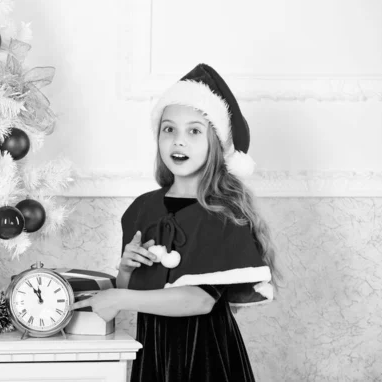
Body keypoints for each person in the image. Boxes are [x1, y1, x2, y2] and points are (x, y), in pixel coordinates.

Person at [70, 63, 280, 381]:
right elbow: (133, 288)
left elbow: (199, 300)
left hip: (205, 354)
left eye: (193, 131)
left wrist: (119, 298)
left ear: (216, 144)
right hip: (156, 349)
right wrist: (126, 269)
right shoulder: (144, 208)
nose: (178, 141)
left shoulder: (222, 216)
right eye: (169, 129)